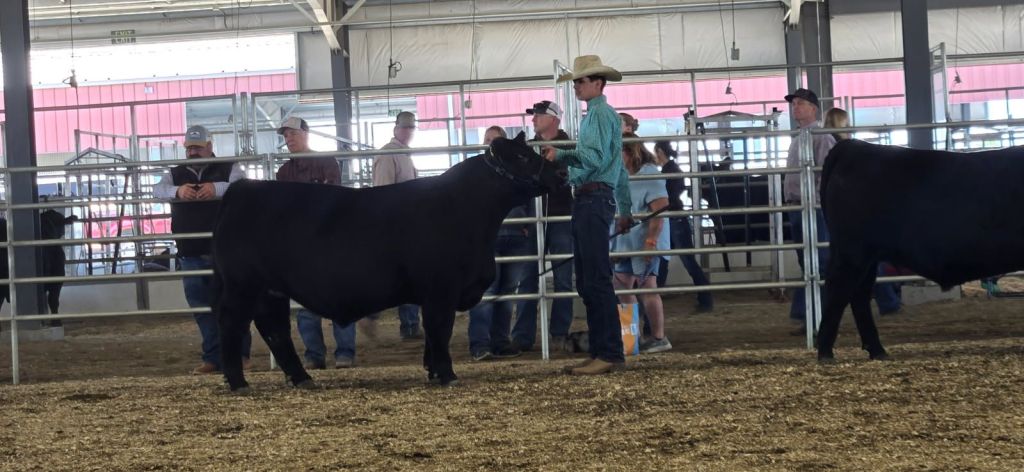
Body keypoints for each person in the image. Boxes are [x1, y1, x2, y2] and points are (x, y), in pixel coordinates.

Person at [544, 55, 632, 375]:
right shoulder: (606, 116)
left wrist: (565, 165)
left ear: (598, 83)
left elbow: (593, 158)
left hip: (591, 199)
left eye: (581, 81)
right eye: (576, 82)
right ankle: (602, 350)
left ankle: (608, 352)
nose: (577, 86)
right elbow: (616, 167)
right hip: (597, 199)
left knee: (594, 279)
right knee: (591, 279)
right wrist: (625, 208)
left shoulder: (597, 115)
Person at [153, 125, 252, 375]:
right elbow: (157, 191)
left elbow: (243, 187)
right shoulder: (175, 174)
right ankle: (213, 357)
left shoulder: (229, 167)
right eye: (189, 148)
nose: (193, 152)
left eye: (197, 147)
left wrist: (216, 188)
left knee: (233, 304)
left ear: (209, 146)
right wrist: (177, 191)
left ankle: (240, 356)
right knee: (201, 306)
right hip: (191, 250)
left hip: (226, 251)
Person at [275, 116, 356, 369]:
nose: (289, 139)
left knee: (338, 295)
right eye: (286, 136)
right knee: (306, 301)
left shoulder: (326, 162)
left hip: (329, 239)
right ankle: (315, 354)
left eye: (293, 134)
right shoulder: (284, 171)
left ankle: (343, 352)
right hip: (302, 244)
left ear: (305, 134)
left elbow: (333, 197)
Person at [512, 100, 576, 351]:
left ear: (554, 119)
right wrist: (523, 216)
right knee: (527, 278)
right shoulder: (528, 149)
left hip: (562, 217)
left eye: (539, 115)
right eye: (534, 115)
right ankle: (523, 336)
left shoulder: (570, 148)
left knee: (563, 279)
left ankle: (558, 333)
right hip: (533, 219)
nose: (534, 119)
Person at [826, 107, 902, 314]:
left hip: (841, 207)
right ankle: (888, 300)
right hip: (856, 207)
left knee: (853, 258)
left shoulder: (834, 145)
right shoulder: (848, 147)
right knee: (867, 256)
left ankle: (885, 300)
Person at [467, 125, 530, 361]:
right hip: (490, 236)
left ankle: (500, 341)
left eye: (496, 140)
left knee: (507, 292)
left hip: (515, 233)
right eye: (488, 139)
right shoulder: (476, 170)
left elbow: (529, 194)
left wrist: (527, 223)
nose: (491, 143)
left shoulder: (515, 168)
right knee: (487, 290)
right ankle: (480, 343)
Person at [783, 88, 836, 334]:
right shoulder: (799, 136)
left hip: (813, 207)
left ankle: (821, 319)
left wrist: (816, 200)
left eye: (800, 103)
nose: (795, 107)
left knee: (819, 263)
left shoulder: (821, 136)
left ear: (813, 108)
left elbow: (826, 173)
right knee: (808, 263)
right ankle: (811, 317)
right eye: (794, 104)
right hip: (798, 206)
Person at [613, 135, 672, 353]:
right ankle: (631, 338)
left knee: (647, 286)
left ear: (630, 152)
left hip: (644, 239)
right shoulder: (621, 174)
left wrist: (650, 241)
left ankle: (659, 337)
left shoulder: (649, 174)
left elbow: (660, 209)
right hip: (625, 241)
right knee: (621, 286)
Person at [368, 111, 423, 341]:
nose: (408, 131)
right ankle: (369, 313)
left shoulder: (403, 154)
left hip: (405, 224)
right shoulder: (389, 153)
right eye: (404, 127)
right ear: (396, 128)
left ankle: (409, 325)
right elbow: (383, 191)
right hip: (393, 224)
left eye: (411, 128)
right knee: (393, 274)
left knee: (406, 274)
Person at [653, 140, 714, 312]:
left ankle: (654, 298)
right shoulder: (672, 169)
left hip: (672, 219)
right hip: (675, 219)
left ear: (659, 151)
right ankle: (655, 298)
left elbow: (669, 197)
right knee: (674, 261)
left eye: (655, 152)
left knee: (668, 260)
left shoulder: (669, 171)